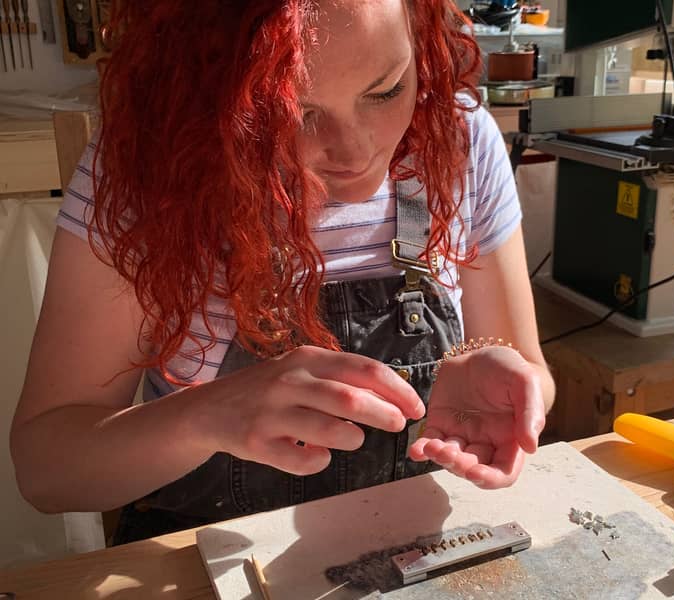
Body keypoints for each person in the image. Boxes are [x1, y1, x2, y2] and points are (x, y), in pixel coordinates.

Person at [10, 0, 555, 545]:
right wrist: (205, 416)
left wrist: (503, 380)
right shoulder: (147, 171)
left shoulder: (457, 140)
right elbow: (47, 471)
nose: (356, 149)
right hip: (202, 560)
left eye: (385, 90)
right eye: (293, 112)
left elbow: (530, 373)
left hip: (412, 553)